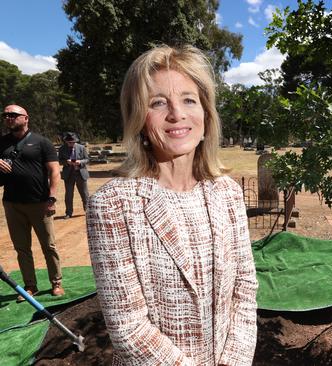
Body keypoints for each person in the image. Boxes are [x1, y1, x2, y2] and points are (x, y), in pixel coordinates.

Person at [86, 44, 258, 365]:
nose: (176, 113)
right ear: (139, 120)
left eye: (189, 100)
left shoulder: (228, 193)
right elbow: (128, 327)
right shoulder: (112, 204)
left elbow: (245, 290)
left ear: (206, 116)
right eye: (158, 102)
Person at [0, 104, 64, 301]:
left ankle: (56, 283)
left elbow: (54, 171)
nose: (9, 118)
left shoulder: (42, 142)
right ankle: (30, 286)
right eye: (5, 115)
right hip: (12, 204)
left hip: (39, 203)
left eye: (13, 115)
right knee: (22, 248)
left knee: (49, 246)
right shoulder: (1, 143)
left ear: (26, 118)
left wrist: (51, 198)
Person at [57, 132, 89, 218]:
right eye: (70, 142)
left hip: (80, 173)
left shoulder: (82, 148)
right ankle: (68, 213)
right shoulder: (62, 149)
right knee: (69, 195)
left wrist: (80, 162)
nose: (72, 143)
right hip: (69, 175)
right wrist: (66, 162)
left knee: (84, 194)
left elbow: (87, 159)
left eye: (73, 142)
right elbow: (59, 161)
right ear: (66, 142)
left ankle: (88, 211)